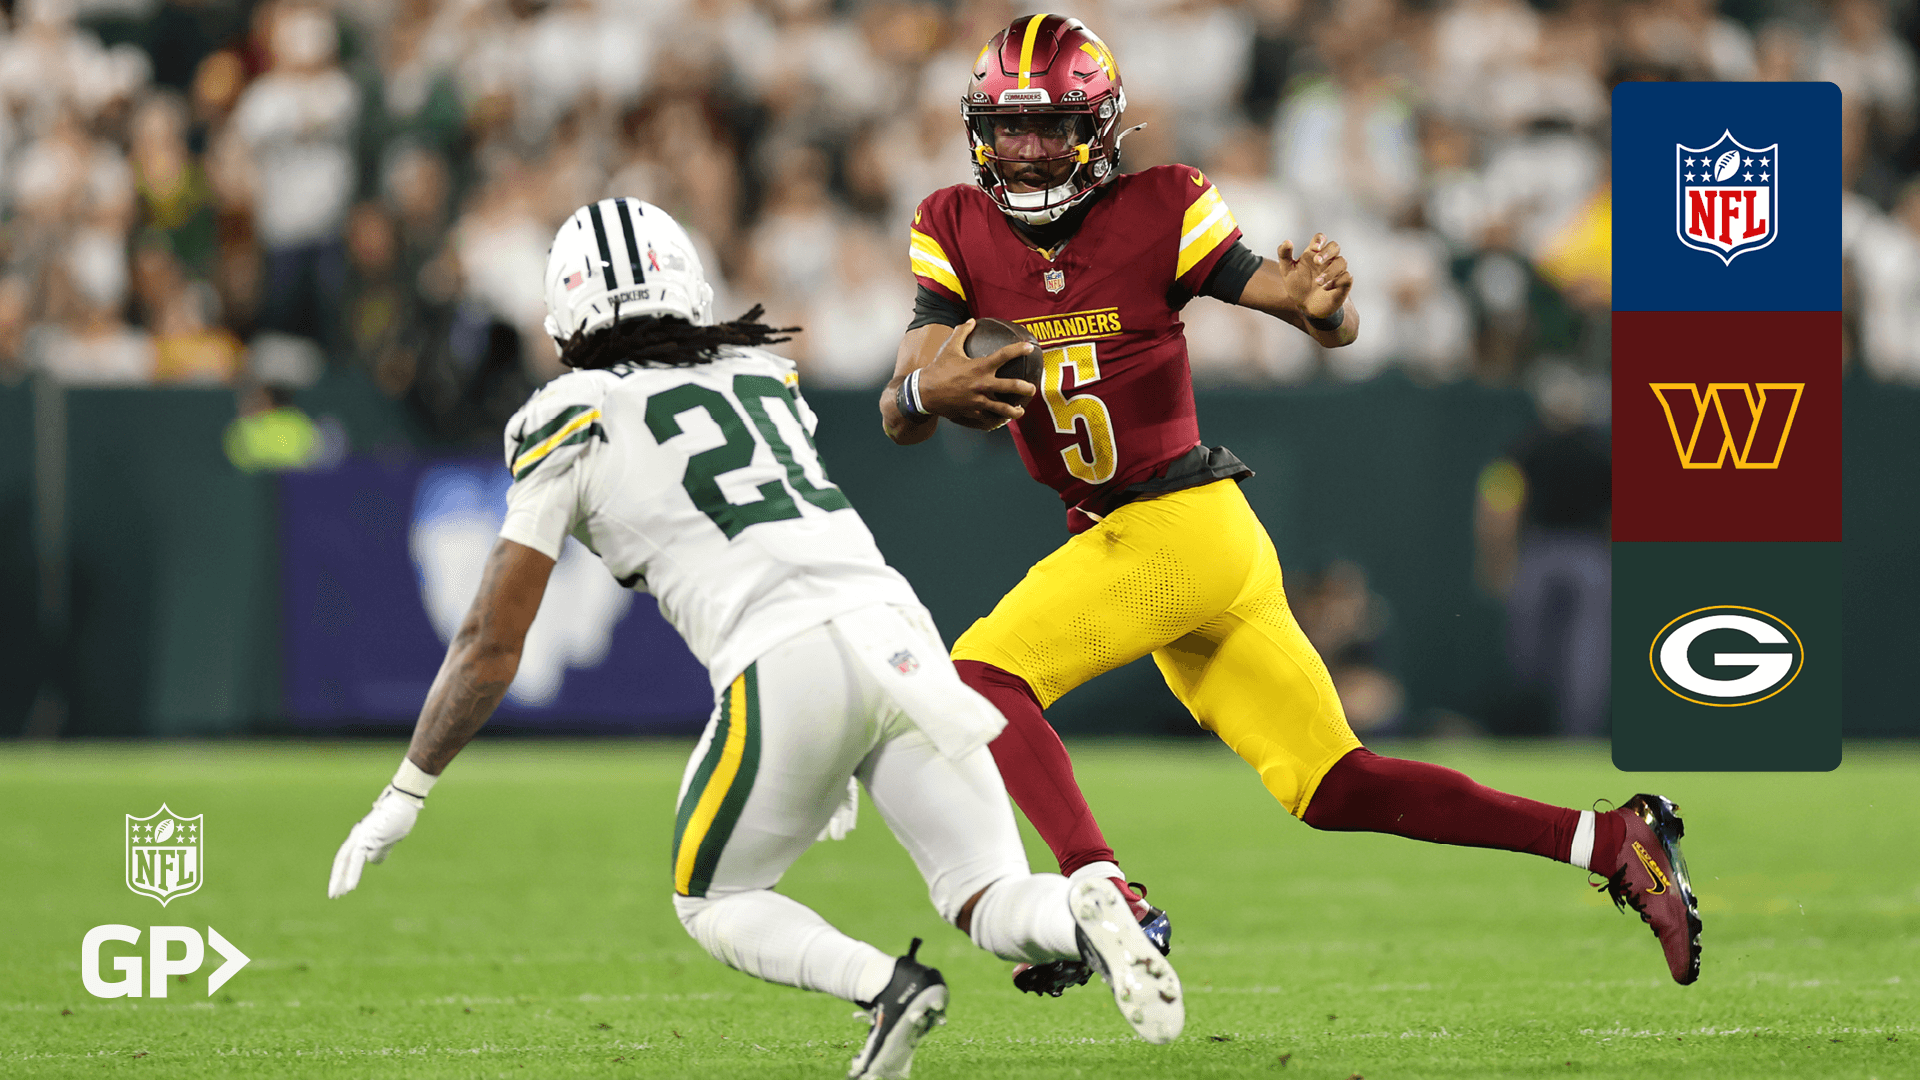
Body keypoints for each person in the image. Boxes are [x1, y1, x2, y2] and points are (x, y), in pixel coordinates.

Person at [879, 14, 1700, 994]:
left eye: (1049, 126)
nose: (1024, 150)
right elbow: (900, 407)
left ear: (1098, 129)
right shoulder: (952, 224)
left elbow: (1308, 309)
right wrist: (923, 391)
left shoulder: (1160, 205)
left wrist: (1326, 308)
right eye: (1007, 127)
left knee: (982, 677)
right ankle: (1611, 841)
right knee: (1334, 785)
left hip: (1178, 523)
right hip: (1164, 540)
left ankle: (1101, 894)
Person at [325, 199, 1184, 1079]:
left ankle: (887, 987)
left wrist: (407, 789)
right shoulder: (759, 373)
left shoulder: (569, 414)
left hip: (782, 657)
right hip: (899, 632)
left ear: (565, 311)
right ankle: (1084, 908)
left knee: (712, 897)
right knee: (988, 893)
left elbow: (489, 642)